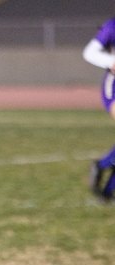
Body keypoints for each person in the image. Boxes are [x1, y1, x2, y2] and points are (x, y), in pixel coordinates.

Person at [83, 17, 115, 201]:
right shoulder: (112, 26)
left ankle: (107, 192)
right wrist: (111, 61)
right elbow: (90, 52)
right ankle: (102, 166)